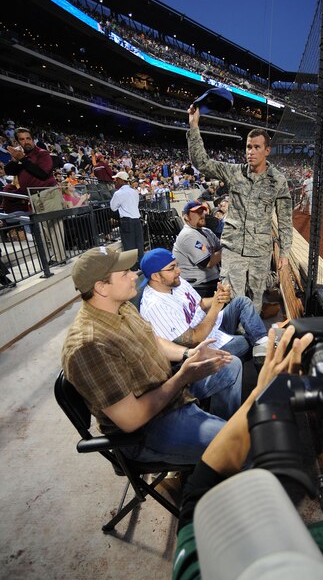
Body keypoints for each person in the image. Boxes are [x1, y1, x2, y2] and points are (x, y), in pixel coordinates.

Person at [173, 327, 323, 580]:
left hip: (179, 397)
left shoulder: (196, 571)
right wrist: (263, 397)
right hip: (169, 407)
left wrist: (261, 394)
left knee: (233, 363)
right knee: (251, 445)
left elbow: (196, 498)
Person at [61, 246, 243, 464]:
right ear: (101, 287)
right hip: (149, 427)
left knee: (229, 365)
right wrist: (183, 377)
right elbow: (132, 419)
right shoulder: (89, 346)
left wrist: (188, 353)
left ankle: (214, 447)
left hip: (167, 390)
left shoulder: (121, 307)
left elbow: (153, 339)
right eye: (125, 272)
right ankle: (218, 454)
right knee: (240, 444)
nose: (134, 275)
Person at [187, 106, 292, 313]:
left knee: (255, 301)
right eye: (248, 147)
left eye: (256, 147)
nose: (250, 152)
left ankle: (251, 341)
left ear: (267, 150)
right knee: (230, 300)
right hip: (233, 249)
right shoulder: (233, 172)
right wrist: (193, 126)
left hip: (260, 253)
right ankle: (232, 339)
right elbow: (201, 162)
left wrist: (285, 253)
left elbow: (285, 220)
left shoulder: (278, 181)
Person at [139, 248, 269, 362]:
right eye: (172, 268)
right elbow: (194, 340)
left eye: (176, 265)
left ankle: (264, 344)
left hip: (211, 327)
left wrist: (218, 297)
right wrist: (215, 308)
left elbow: (199, 303)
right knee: (244, 343)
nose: (178, 271)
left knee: (241, 302)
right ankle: (265, 360)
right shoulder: (155, 306)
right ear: (155, 276)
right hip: (201, 348)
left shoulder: (174, 282)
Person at [4, 126, 66, 264]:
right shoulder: (21, 157)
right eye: (22, 139)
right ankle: (54, 257)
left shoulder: (42, 153)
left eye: (28, 139)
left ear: (33, 139)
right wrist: (15, 159)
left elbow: (42, 173)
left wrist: (23, 160)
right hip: (34, 197)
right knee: (44, 229)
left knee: (54, 227)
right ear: (18, 142)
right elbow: (8, 171)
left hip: (48, 193)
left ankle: (60, 257)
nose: (26, 142)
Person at [173, 200, 222, 298]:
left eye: (203, 211)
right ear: (186, 217)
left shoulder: (206, 231)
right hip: (198, 287)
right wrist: (228, 249)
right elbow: (207, 263)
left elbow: (220, 248)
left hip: (211, 281)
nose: (203, 214)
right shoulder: (188, 235)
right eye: (198, 212)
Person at [110, 170, 144, 268]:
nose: (115, 181)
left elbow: (113, 207)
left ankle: (133, 266)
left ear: (121, 180)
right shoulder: (134, 192)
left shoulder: (118, 193)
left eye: (117, 179)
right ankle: (141, 265)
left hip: (126, 220)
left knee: (129, 245)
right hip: (136, 219)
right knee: (139, 244)